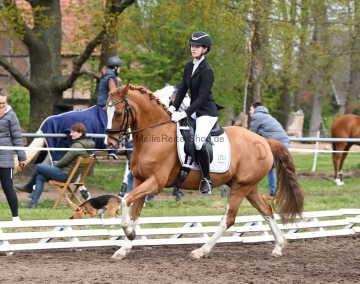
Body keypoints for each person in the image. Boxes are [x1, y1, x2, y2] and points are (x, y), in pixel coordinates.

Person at [168, 31, 223, 194]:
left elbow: (201, 98)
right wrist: (172, 107)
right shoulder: (189, 66)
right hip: (193, 109)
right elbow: (183, 88)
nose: (193, 49)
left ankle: (207, 179)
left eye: (197, 46)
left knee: (199, 142)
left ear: (205, 49)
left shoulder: (208, 70)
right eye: (192, 46)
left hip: (207, 112)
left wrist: (184, 113)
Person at [14, 122, 95, 209]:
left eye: (73, 132)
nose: (70, 134)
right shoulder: (87, 144)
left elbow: (64, 161)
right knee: (40, 177)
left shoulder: (77, 146)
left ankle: (29, 187)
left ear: (80, 133)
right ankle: (32, 203)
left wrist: (55, 166)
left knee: (39, 167)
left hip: (66, 175)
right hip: (72, 175)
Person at [249, 101, 290, 200]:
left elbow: (250, 135)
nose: (249, 112)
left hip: (278, 146)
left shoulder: (257, 116)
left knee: (277, 170)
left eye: (250, 109)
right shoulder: (267, 116)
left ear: (255, 109)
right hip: (284, 143)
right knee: (272, 169)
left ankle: (282, 197)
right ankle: (273, 194)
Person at [0, 87, 26, 221]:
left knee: (8, 188)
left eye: (3, 103)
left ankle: (15, 217)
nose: (1, 106)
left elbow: (17, 137)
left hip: (5, 158)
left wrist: (22, 157)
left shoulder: (11, 115)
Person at [97, 56, 123, 160]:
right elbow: (114, 93)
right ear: (116, 67)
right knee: (113, 124)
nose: (120, 69)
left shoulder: (106, 75)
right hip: (106, 104)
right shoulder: (111, 77)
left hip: (101, 102)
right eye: (120, 67)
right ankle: (112, 149)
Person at [118, 133, 134, 198]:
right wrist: (124, 146)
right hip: (131, 157)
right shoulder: (128, 131)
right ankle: (130, 195)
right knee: (130, 176)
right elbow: (127, 142)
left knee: (131, 176)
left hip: (137, 157)